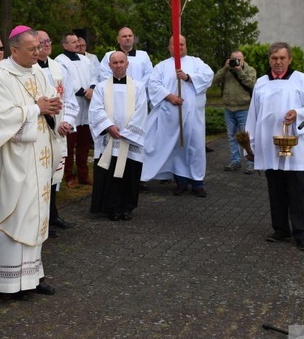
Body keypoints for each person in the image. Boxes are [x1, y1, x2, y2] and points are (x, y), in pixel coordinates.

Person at [0, 26, 61, 299]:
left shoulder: (39, 72)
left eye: (39, 48)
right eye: (32, 49)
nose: (37, 53)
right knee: (14, 216)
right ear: (14, 50)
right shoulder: (0, 79)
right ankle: (4, 283)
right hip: (11, 163)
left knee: (35, 218)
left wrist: (53, 107)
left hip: (37, 162)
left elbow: (49, 103)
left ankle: (33, 276)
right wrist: (36, 109)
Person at [245, 42, 304, 250]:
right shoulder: (261, 82)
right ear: (269, 60)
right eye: (274, 58)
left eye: (282, 58)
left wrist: (298, 113)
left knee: (297, 189)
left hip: (294, 144)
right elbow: (253, 114)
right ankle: (281, 228)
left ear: (290, 59)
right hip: (268, 144)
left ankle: (302, 232)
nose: (278, 62)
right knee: (275, 188)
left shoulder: (301, 80)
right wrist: (250, 145)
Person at [142, 35, 214, 197]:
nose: (179, 47)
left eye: (182, 44)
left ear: (186, 46)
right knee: (178, 148)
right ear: (169, 47)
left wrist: (188, 77)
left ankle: (197, 182)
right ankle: (181, 181)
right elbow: (153, 84)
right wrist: (170, 96)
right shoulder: (161, 66)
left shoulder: (196, 62)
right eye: (175, 45)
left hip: (194, 116)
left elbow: (208, 76)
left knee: (195, 147)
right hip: (172, 116)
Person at [89, 51, 148, 221]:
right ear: (109, 66)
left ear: (127, 64)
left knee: (128, 174)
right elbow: (96, 110)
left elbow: (141, 111)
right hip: (110, 138)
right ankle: (112, 208)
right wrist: (108, 127)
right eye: (115, 63)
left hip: (129, 139)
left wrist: (127, 133)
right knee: (111, 175)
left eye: (122, 62)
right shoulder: (101, 88)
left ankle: (127, 208)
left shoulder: (138, 87)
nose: (119, 65)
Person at [37, 30, 78, 232]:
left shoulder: (58, 68)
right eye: (41, 41)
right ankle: (40, 221)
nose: (46, 44)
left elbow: (70, 100)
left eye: (48, 40)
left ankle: (53, 216)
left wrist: (68, 122)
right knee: (40, 179)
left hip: (59, 133)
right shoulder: (29, 70)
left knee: (54, 178)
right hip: (39, 133)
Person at [55, 32, 94, 188]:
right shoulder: (59, 61)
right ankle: (69, 175)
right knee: (70, 145)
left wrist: (92, 89)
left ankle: (84, 174)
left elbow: (94, 76)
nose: (77, 44)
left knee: (85, 144)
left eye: (78, 41)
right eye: (73, 42)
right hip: (72, 106)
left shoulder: (85, 59)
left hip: (87, 106)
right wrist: (83, 92)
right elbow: (66, 82)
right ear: (65, 45)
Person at [212, 50, 257, 174]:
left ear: (243, 60)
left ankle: (250, 163)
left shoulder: (250, 70)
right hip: (229, 108)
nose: (236, 62)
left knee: (247, 137)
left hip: (244, 108)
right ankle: (235, 161)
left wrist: (239, 71)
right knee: (232, 137)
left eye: (239, 59)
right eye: (233, 59)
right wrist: (225, 69)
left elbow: (252, 84)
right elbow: (214, 80)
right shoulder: (227, 70)